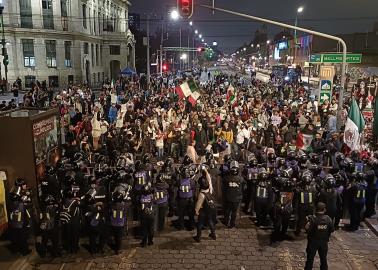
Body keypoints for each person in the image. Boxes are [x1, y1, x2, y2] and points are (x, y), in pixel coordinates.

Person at [304, 202, 334, 270]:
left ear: (315, 209)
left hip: (312, 243)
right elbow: (332, 229)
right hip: (324, 243)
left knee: (310, 260)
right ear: (324, 209)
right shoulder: (328, 218)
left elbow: (307, 229)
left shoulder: (312, 218)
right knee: (323, 260)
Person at [193, 172, 216, 242]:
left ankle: (198, 237)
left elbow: (198, 205)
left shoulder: (201, 194)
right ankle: (213, 234)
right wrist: (206, 172)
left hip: (203, 211)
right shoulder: (210, 190)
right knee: (210, 221)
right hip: (209, 210)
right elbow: (209, 180)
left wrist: (196, 211)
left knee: (200, 223)